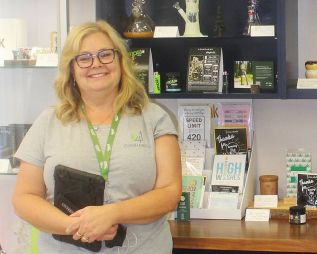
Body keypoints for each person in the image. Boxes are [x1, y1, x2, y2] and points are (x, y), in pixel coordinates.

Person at [12, 20, 182, 253]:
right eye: (84, 58)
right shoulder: (49, 121)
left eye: (105, 54)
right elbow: (24, 197)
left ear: (121, 61)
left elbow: (169, 193)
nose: (96, 64)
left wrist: (112, 213)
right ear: (71, 68)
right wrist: (77, 226)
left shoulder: (154, 118)